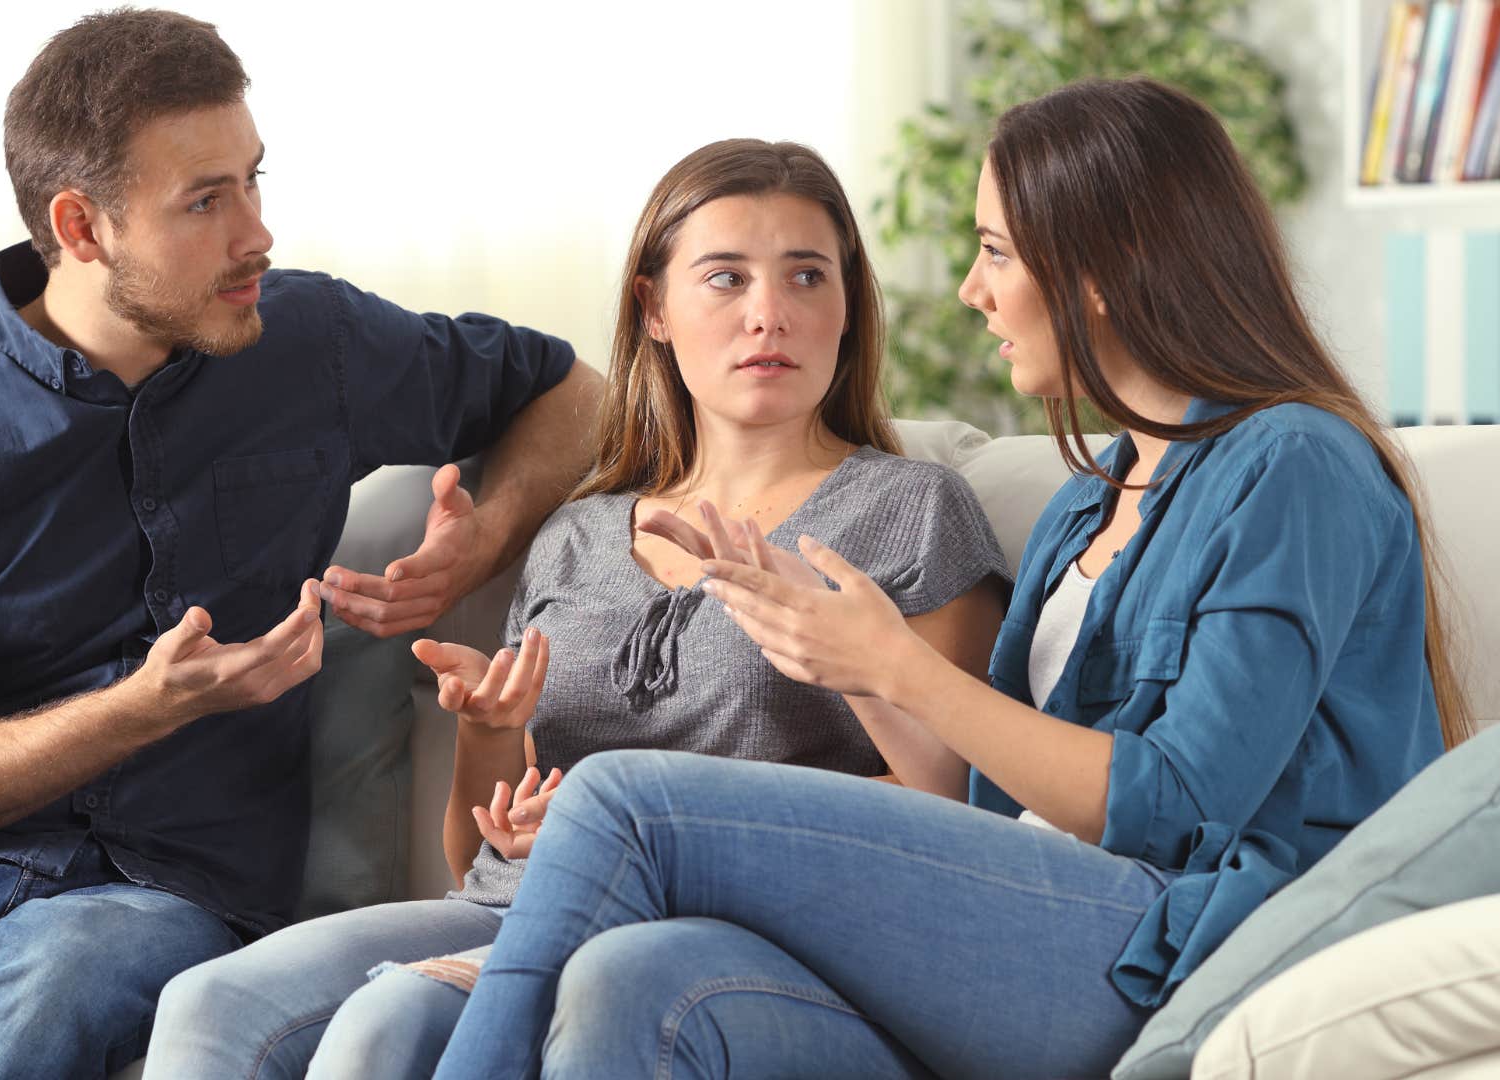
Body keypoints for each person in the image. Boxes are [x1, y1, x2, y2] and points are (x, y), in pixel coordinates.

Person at [431, 77, 1473, 1080]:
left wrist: (905, 668)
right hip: (1035, 925)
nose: (973, 291)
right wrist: (841, 656)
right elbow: (981, 802)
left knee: (621, 802)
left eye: (995, 253)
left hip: (1184, 940)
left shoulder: (1293, 464)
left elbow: (1179, 805)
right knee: (631, 978)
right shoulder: (1086, 502)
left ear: (1101, 269)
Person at [0, 10, 603, 1079]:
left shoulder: (312, 345)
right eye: (205, 201)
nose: (257, 234)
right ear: (82, 227)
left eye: (254, 180)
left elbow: (573, 392)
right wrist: (145, 709)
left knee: (59, 959)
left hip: (163, 900)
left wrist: (483, 541)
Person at [142, 137, 1011, 1079]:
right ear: (655, 309)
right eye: (725, 279)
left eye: (808, 276)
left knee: (393, 1018)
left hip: (716, 933)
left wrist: (647, 833)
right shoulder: (578, 532)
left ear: (848, 305)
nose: (771, 314)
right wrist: (490, 735)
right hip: (512, 901)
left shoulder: (910, 511)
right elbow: (477, 846)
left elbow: (960, 811)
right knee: (209, 1002)